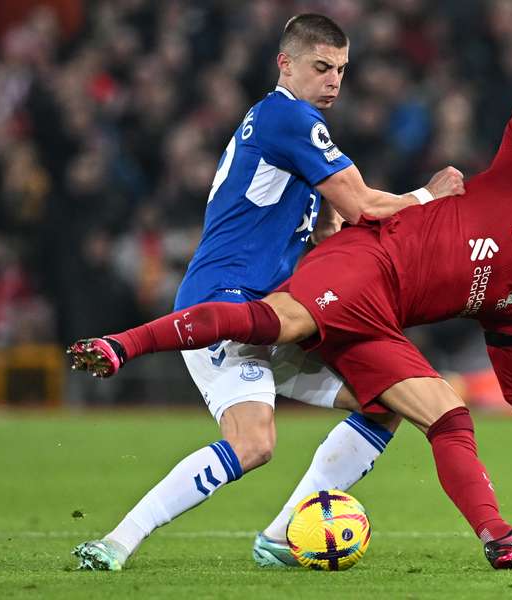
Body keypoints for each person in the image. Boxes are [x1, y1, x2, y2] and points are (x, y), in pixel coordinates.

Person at [70, 81, 512, 569]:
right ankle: (124, 343)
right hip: (361, 263)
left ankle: (494, 540)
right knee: (273, 323)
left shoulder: (510, 305)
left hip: (377, 321)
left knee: (444, 411)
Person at [69, 13, 465, 571]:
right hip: (222, 303)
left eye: (342, 70)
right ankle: (117, 541)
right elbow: (364, 206)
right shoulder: (288, 118)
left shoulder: (299, 135)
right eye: (322, 66)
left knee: (385, 400)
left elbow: (336, 230)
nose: (334, 80)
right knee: (254, 444)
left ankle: (281, 536)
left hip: (278, 314)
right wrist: (429, 196)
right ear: (286, 63)